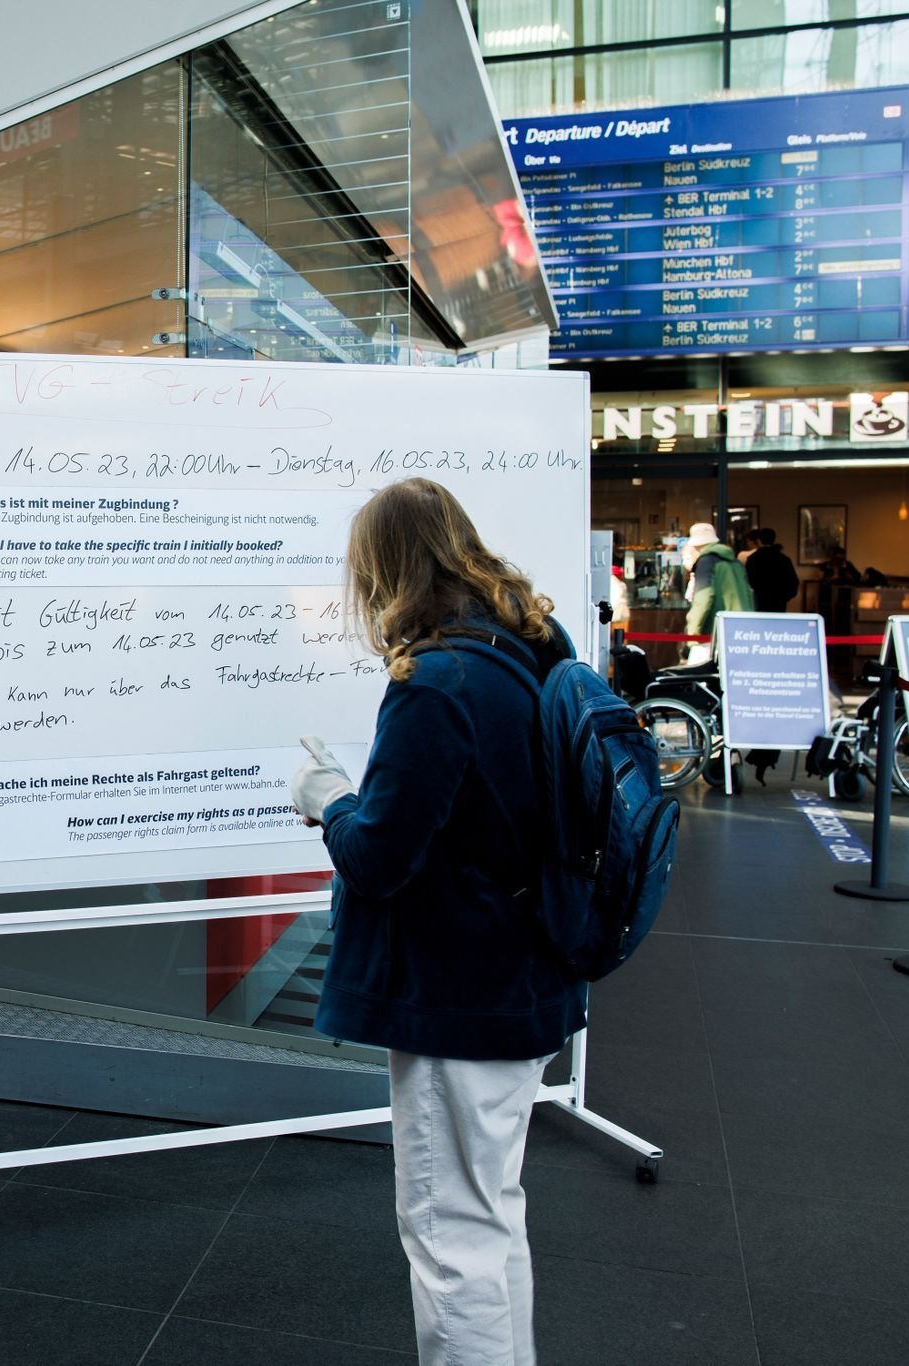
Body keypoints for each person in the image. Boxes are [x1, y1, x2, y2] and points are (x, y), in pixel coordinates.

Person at [289, 478, 584, 1366]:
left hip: (459, 987)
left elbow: (381, 854)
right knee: (489, 1214)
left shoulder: (436, 681)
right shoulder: (534, 644)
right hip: (527, 967)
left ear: (384, 571)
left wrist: (329, 797)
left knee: (448, 1231)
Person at [682, 521, 753, 664]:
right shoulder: (734, 561)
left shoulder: (706, 561)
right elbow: (749, 593)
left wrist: (692, 636)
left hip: (713, 632)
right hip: (739, 628)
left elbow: (703, 599)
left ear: (694, 545)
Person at [744, 527, 800, 613]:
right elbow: (793, 581)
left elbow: (747, 581)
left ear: (759, 540)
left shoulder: (753, 559)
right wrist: (785, 597)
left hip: (759, 601)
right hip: (779, 602)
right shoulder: (783, 559)